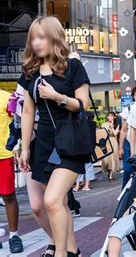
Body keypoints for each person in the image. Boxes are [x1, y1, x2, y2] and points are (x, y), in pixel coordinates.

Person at [18, 16, 90, 257]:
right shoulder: (30, 71)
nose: (37, 43)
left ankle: (60, 253)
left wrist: (57, 96)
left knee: (51, 200)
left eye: (42, 37)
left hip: (70, 140)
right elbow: (28, 111)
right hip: (45, 143)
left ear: (54, 37)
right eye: (33, 38)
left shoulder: (72, 66)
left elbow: (83, 104)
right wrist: (25, 147)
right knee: (58, 204)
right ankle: (72, 251)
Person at [0, 89, 23, 253]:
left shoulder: (7, 98)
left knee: (8, 195)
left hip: (3, 154)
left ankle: (14, 235)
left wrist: (21, 149)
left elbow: (19, 121)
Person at [119, 85, 136, 188]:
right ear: (133, 96)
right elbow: (123, 130)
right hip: (129, 144)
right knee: (128, 170)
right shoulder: (128, 110)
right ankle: (124, 196)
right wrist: (120, 147)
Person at [102, 112, 120, 182]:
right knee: (106, 159)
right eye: (108, 116)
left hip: (113, 142)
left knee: (112, 158)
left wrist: (112, 127)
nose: (109, 117)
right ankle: (108, 170)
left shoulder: (116, 125)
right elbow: (102, 133)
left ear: (114, 117)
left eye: (111, 116)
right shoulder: (104, 124)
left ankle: (111, 175)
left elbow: (115, 134)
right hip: (106, 142)